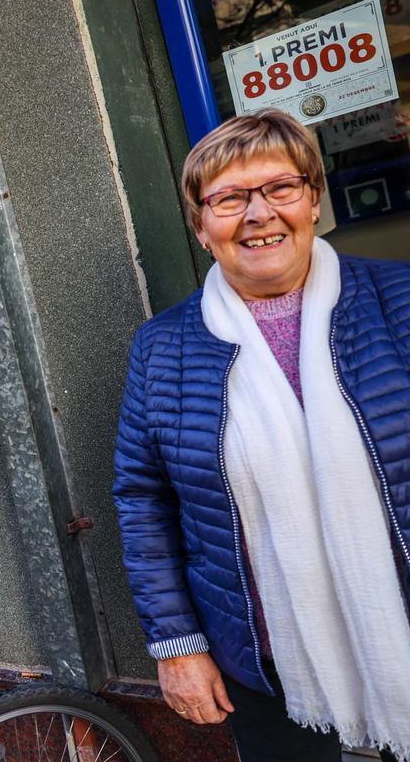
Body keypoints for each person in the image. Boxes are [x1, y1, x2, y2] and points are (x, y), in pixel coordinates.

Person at [113, 109, 410, 762]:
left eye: (280, 188)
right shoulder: (162, 348)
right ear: (200, 226)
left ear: (313, 199)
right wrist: (178, 644)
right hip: (269, 659)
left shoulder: (401, 301)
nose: (259, 214)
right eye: (228, 198)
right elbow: (143, 501)